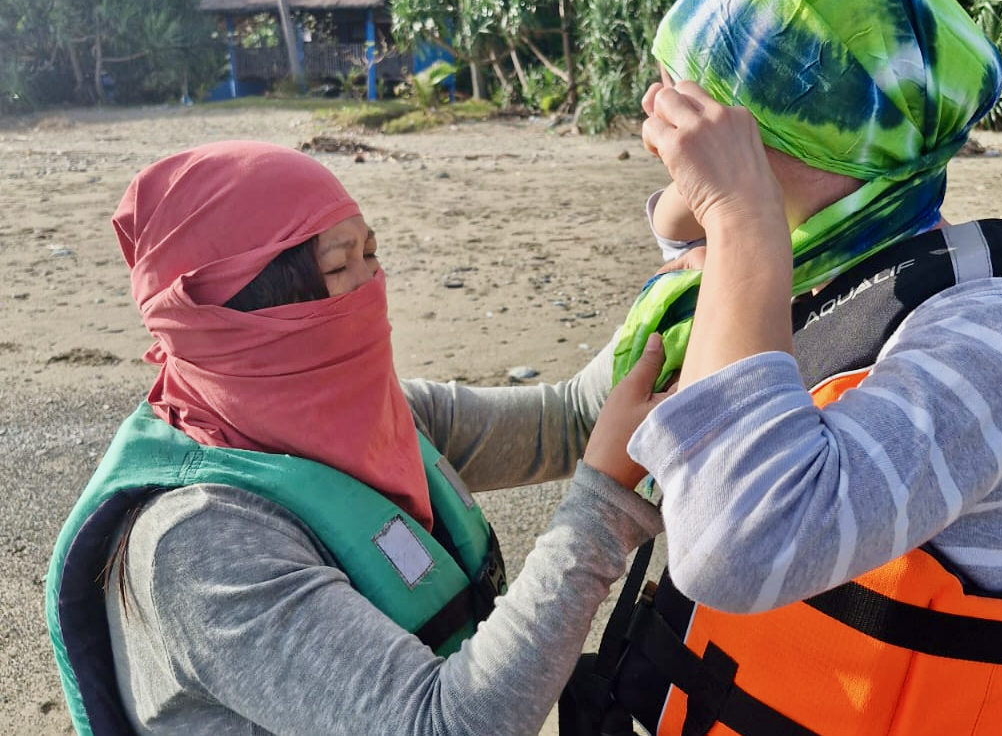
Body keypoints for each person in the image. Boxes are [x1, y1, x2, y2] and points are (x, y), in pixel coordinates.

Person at [591, 0, 1002, 736]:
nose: (675, 135)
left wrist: (739, 213)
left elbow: (735, 548)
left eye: (707, 115)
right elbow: (625, 374)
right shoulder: (816, 272)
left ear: (817, 130)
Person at [44, 140, 670, 736]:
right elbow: (447, 726)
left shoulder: (382, 418)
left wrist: (683, 274)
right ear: (244, 318)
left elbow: (566, 419)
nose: (373, 283)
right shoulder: (199, 546)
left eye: (370, 253)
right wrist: (600, 512)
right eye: (340, 265)